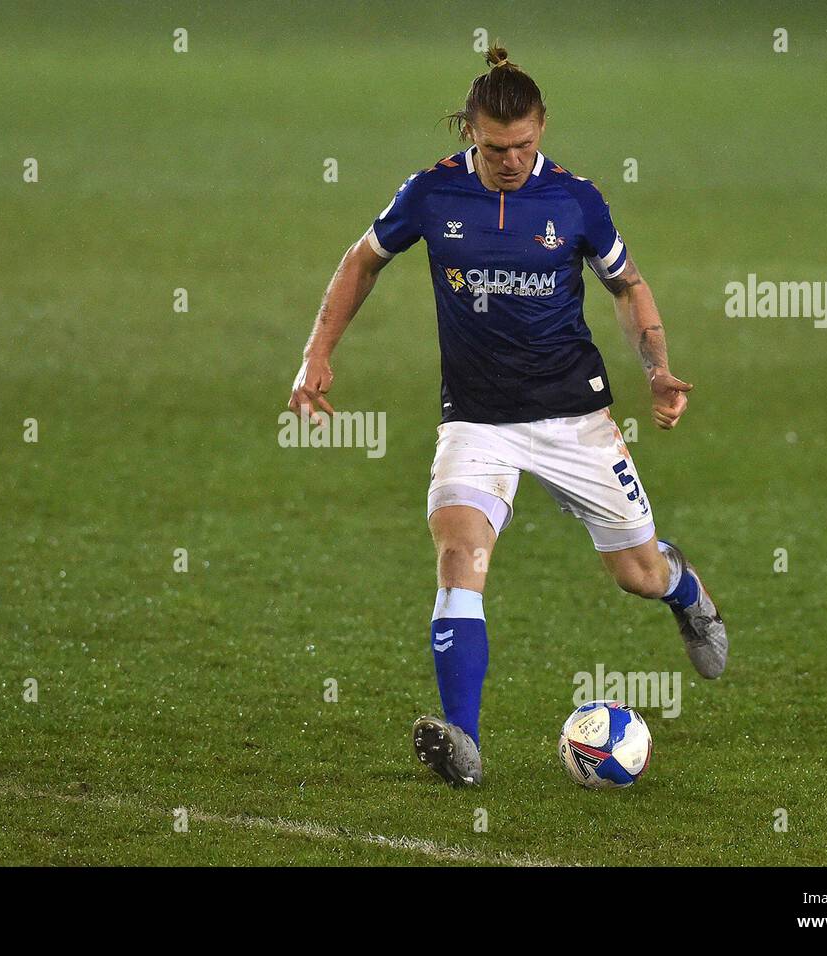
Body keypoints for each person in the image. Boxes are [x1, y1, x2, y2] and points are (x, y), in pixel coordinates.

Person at [288, 47, 727, 787]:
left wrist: (655, 369)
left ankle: (686, 593)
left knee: (637, 574)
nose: (512, 161)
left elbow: (628, 286)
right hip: (477, 420)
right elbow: (361, 260)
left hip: (575, 417)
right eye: (495, 148)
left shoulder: (575, 199)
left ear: (543, 127)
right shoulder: (430, 193)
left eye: (524, 144)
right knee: (461, 556)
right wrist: (316, 354)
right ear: (470, 133)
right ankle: (463, 741)